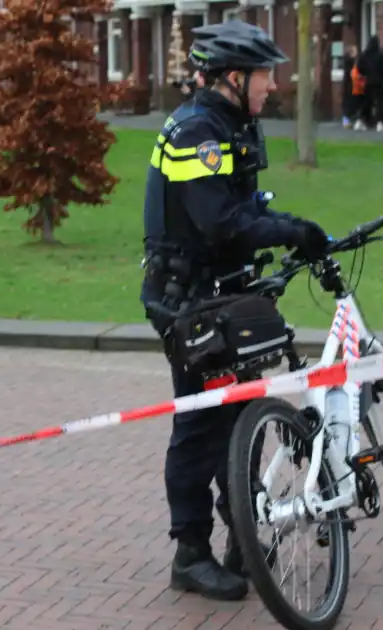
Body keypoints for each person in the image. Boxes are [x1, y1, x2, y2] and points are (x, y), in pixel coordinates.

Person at [139, 19, 330, 602]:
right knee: (201, 426)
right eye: (264, 75)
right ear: (231, 77)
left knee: (239, 416)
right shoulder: (199, 130)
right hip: (192, 304)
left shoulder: (229, 123)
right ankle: (190, 554)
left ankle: (241, 542)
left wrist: (276, 231)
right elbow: (220, 223)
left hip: (223, 294)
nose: (273, 86)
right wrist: (295, 231)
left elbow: (241, 208)